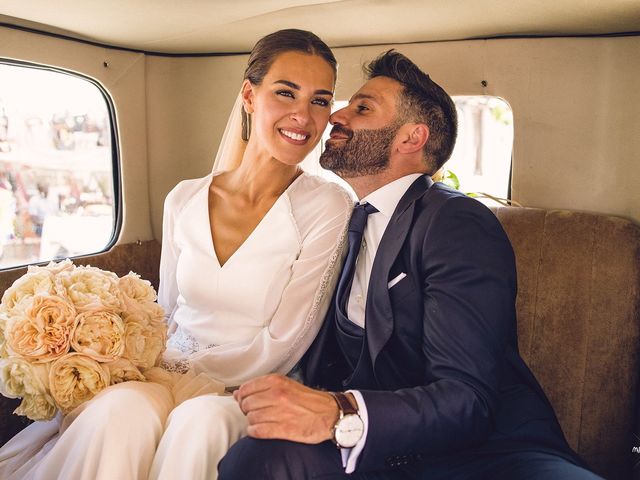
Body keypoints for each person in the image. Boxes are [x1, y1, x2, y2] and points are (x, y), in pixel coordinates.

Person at [219, 50, 602, 479]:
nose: (336, 116)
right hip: (378, 451)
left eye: (362, 107)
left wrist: (337, 411)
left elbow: (467, 398)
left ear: (410, 139)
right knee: (255, 458)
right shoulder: (339, 220)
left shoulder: (454, 221)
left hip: (484, 454)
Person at [0, 29, 352, 480]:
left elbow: (285, 343)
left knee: (197, 422)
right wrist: (138, 365)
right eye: (286, 93)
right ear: (249, 94)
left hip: (248, 386)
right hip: (162, 369)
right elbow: (162, 313)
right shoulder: (184, 199)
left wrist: (183, 373)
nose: (303, 115)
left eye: (320, 101)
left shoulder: (327, 206)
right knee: (120, 411)